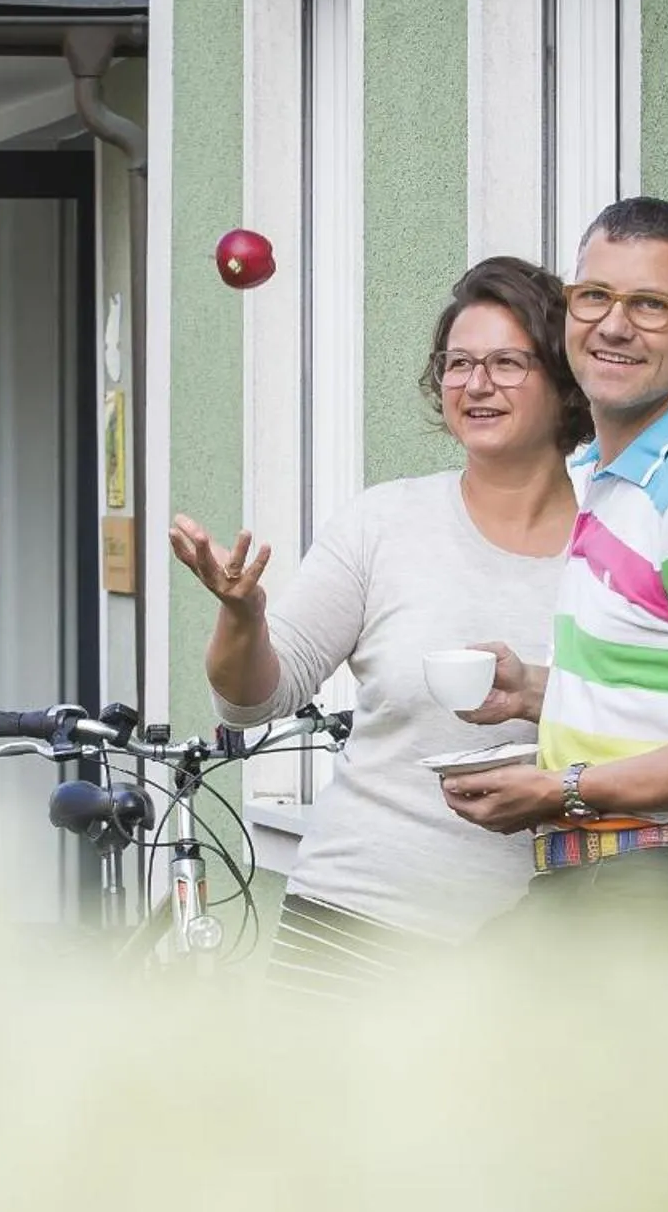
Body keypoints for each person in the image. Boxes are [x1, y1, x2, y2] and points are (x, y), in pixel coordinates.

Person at [167, 257, 589, 997]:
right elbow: (250, 701)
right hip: (351, 922)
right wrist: (242, 617)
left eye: (506, 363)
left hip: (539, 952)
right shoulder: (383, 523)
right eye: (458, 363)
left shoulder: (615, 545)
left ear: (565, 381)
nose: (475, 384)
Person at [440, 197, 668, 942]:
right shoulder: (611, 482)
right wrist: (531, 691)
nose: (613, 325)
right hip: (612, 887)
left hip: (665, 898)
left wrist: (563, 789)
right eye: (595, 296)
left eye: (650, 305)